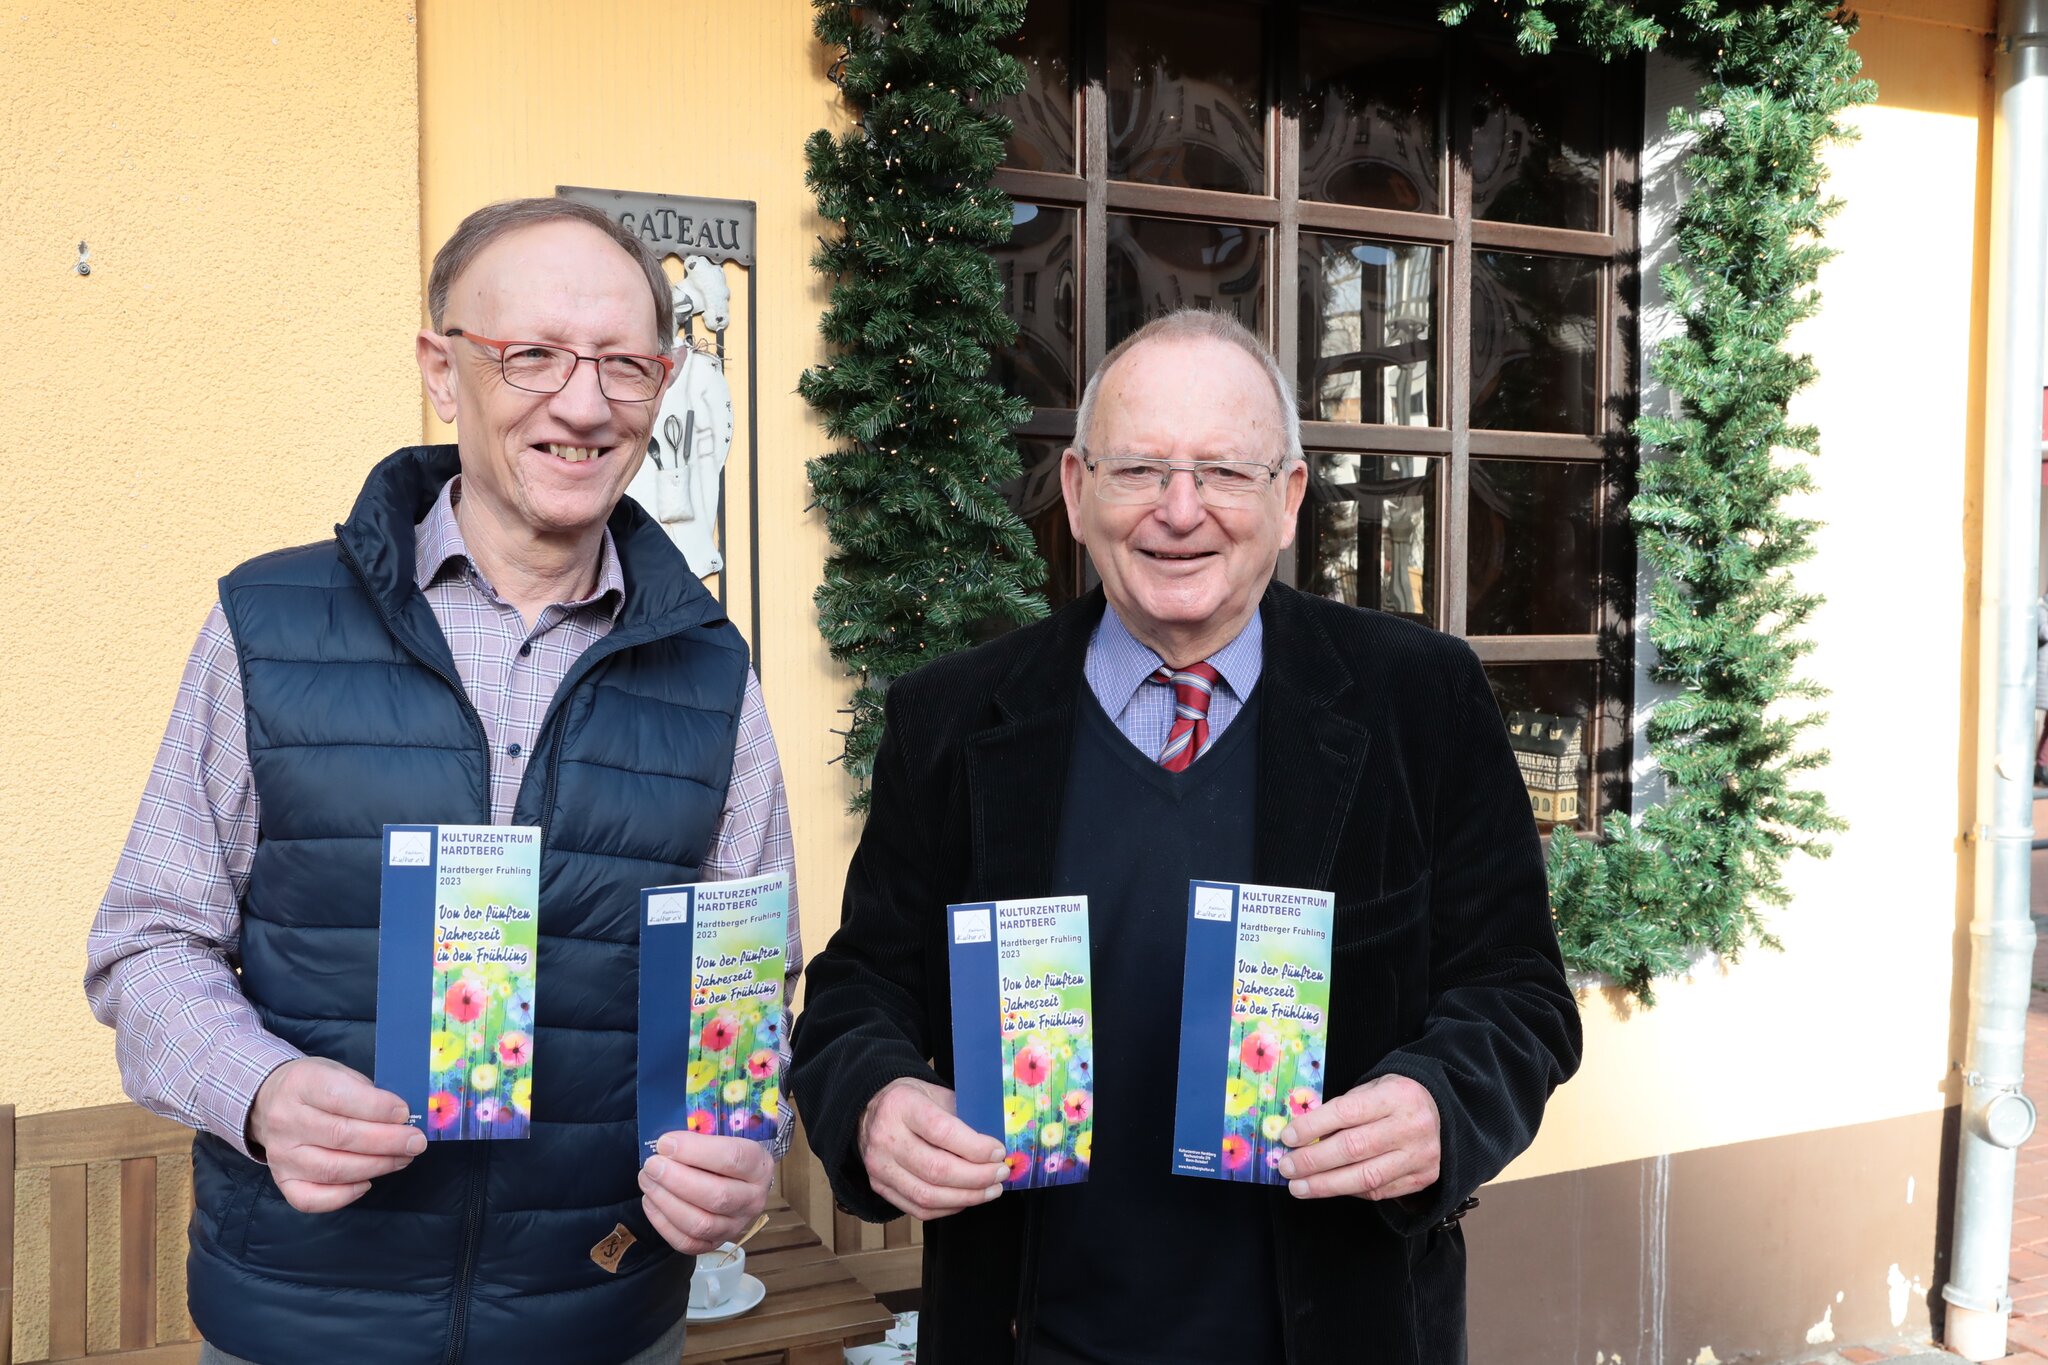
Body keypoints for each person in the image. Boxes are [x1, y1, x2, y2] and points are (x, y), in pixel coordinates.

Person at [790, 309, 1581, 1364]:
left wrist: (1442, 1102)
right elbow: (858, 992)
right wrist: (874, 1102)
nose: (1178, 512)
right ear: (1075, 492)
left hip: (1336, 1333)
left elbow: (1518, 994)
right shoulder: (953, 718)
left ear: (1287, 498)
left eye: (1223, 472)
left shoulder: (1418, 701)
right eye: (1138, 471)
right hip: (1031, 1340)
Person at [84, 198, 798, 1365]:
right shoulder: (265, 624)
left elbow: (753, 973)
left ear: (662, 387)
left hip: (599, 1319)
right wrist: (258, 1091)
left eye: (624, 365)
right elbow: (150, 940)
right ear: (440, 368)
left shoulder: (713, 672)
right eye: (532, 356)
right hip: (306, 1324)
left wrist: (745, 1149)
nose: (581, 403)